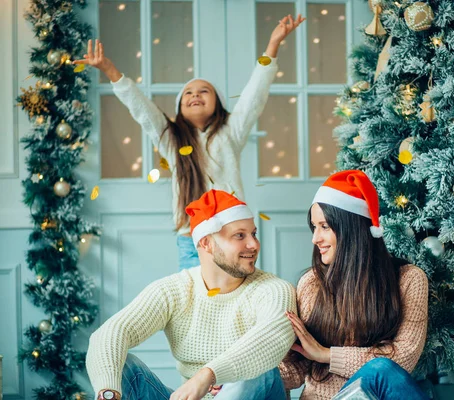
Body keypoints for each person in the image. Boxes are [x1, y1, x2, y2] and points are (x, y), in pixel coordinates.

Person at [74, 14, 305, 270]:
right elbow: (139, 107)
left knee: (233, 295)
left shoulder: (230, 132)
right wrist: (110, 70)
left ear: (217, 103)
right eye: (188, 93)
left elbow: (254, 95)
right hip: (191, 238)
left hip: (232, 235)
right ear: (179, 107)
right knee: (196, 299)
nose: (195, 94)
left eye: (204, 91)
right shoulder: (170, 139)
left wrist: (272, 46)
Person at [86, 190, 297, 400]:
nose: (253, 244)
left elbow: (272, 338)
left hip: (251, 392)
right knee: (124, 366)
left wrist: (208, 375)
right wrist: (108, 393)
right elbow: (110, 334)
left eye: (254, 234)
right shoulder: (175, 290)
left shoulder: (274, 290)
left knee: (259, 371)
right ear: (206, 243)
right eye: (240, 235)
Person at [278, 170, 430, 400]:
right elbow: (296, 368)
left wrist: (327, 355)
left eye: (324, 226)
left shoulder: (409, 279)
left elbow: (401, 359)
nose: (315, 238)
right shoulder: (311, 283)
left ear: (352, 229)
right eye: (314, 227)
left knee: (382, 369)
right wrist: (250, 375)